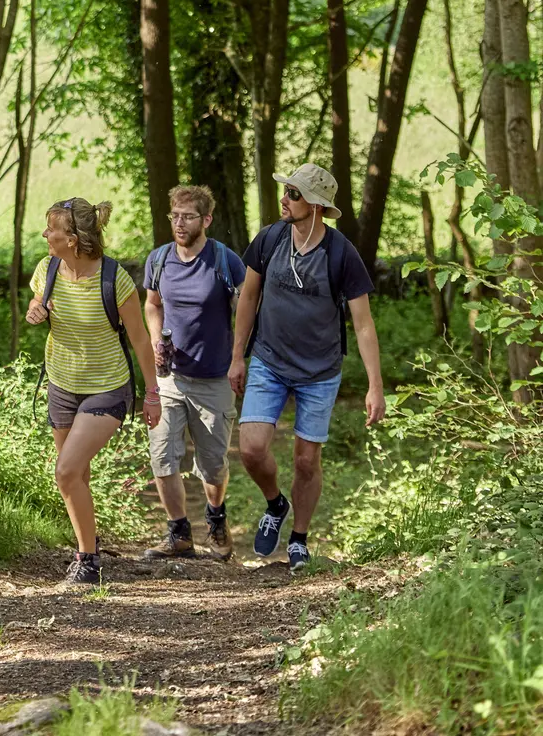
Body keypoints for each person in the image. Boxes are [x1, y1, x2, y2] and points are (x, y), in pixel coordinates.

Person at [228, 163, 386, 570]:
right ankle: (275, 504)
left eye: (294, 194)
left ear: (315, 205)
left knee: (305, 460)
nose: (284, 199)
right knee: (251, 448)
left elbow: (363, 324)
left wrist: (375, 386)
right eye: (286, 191)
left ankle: (299, 539)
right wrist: (237, 356)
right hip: (269, 361)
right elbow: (248, 298)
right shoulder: (270, 239)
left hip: (320, 371)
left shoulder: (341, 254)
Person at [26, 198, 162, 586]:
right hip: (61, 385)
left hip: (107, 389)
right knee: (78, 474)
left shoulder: (114, 279)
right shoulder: (47, 267)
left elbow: (140, 340)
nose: (45, 234)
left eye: (51, 229)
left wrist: (152, 395)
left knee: (66, 472)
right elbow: (38, 299)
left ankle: (88, 564)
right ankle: (89, 544)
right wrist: (37, 309)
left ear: (72, 239)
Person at [142, 185, 245, 561]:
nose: (180, 223)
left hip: (215, 378)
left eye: (188, 216)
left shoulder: (224, 260)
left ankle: (216, 520)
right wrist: (156, 340)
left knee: (213, 465)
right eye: (175, 216)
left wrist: (238, 357)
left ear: (206, 219)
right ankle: (179, 533)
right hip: (169, 376)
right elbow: (152, 304)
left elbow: (246, 308)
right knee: (162, 455)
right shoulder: (159, 260)